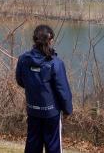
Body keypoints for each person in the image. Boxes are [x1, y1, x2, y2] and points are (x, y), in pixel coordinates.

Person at [16, 24, 73, 153]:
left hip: (32, 110)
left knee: (32, 145)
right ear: (50, 40)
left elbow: (20, 81)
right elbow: (63, 91)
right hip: (51, 114)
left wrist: (34, 87)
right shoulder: (55, 63)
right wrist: (67, 110)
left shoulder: (23, 59)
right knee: (53, 147)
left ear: (34, 40)